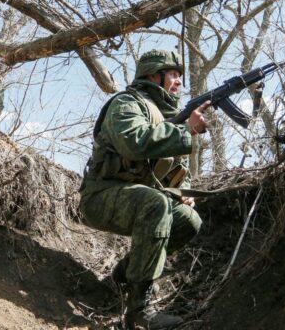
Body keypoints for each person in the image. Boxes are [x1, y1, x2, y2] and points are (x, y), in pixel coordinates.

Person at [79, 49, 210, 330]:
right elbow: (133, 143)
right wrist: (185, 131)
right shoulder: (127, 104)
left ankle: (125, 274)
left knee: (188, 220)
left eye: (179, 76)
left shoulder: (170, 117)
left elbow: (177, 172)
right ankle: (139, 312)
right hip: (101, 197)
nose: (179, 82)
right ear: (154, 75)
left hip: (138, 199)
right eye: (173, 74)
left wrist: (184, 191)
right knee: (155, 203)